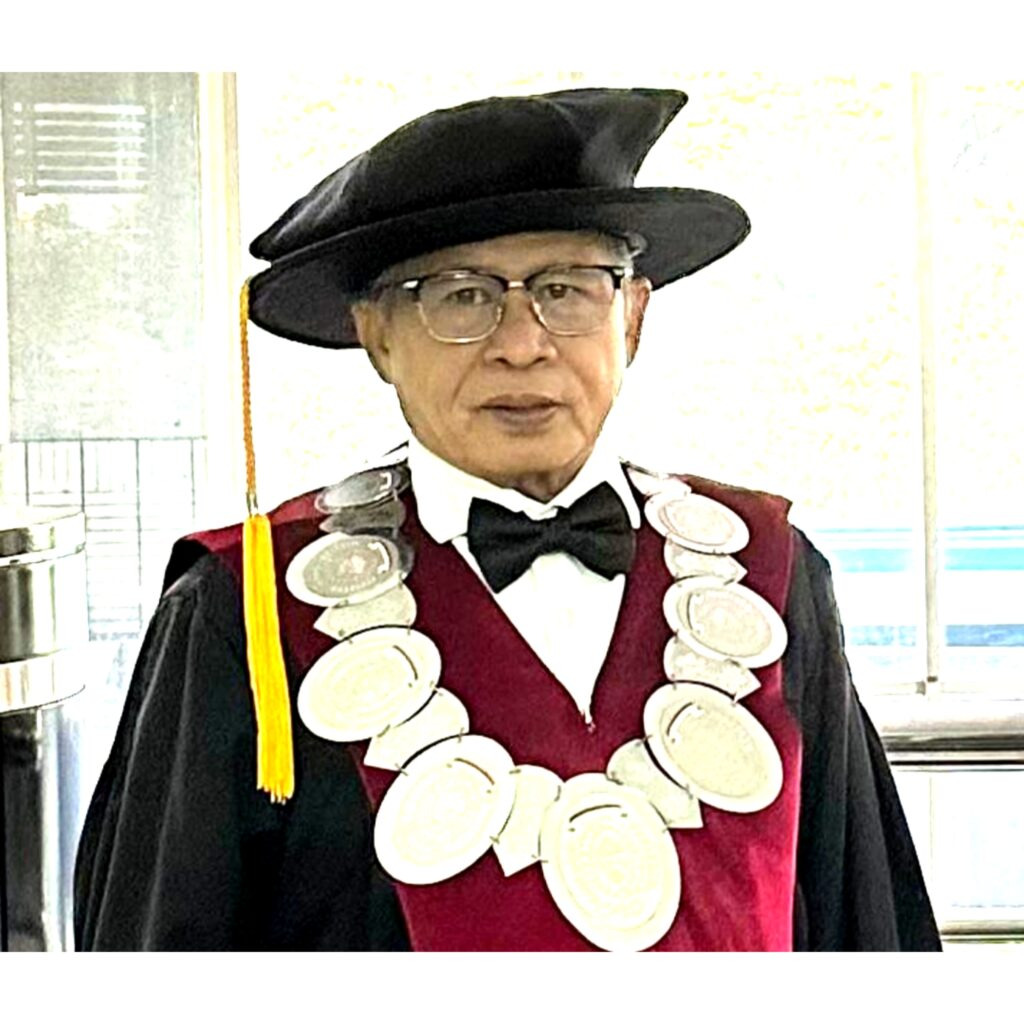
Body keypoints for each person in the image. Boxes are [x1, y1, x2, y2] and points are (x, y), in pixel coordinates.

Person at [74, 86, 941, 951]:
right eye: (460, 297)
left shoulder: (771, 575)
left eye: (567, 290)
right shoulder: (246, 608)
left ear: (632, 318)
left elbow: (865, 932)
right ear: (376, 335)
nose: (522, 344)